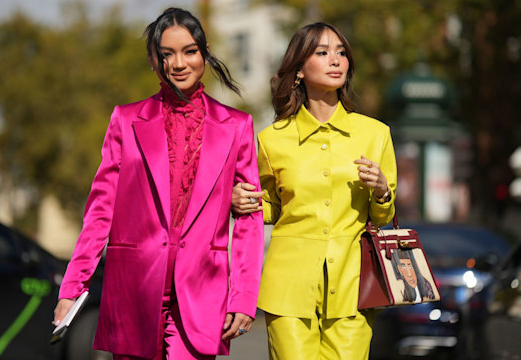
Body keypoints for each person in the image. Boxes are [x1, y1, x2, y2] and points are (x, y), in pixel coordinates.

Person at [53, 8, 264, 360]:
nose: (178, 63)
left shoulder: (237, 126)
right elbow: (100, 210)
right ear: (155, 61)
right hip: (134, 289)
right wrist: (74, 286)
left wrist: (243, 295)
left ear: (204, 53)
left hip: (200, 292)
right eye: (167, 54)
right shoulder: (126, 120)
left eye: (189, 51)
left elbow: (249, 220)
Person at [232, 22, 397, 359]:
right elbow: (271, 208)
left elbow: (383, 215)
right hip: (288, 289)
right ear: (298, 71)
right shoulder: (271, 139)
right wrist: (239, 202)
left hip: (354, 290)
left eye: (340, 53)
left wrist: (382, 191)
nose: (335, 60)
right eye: (322, 53)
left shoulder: (375, 134)